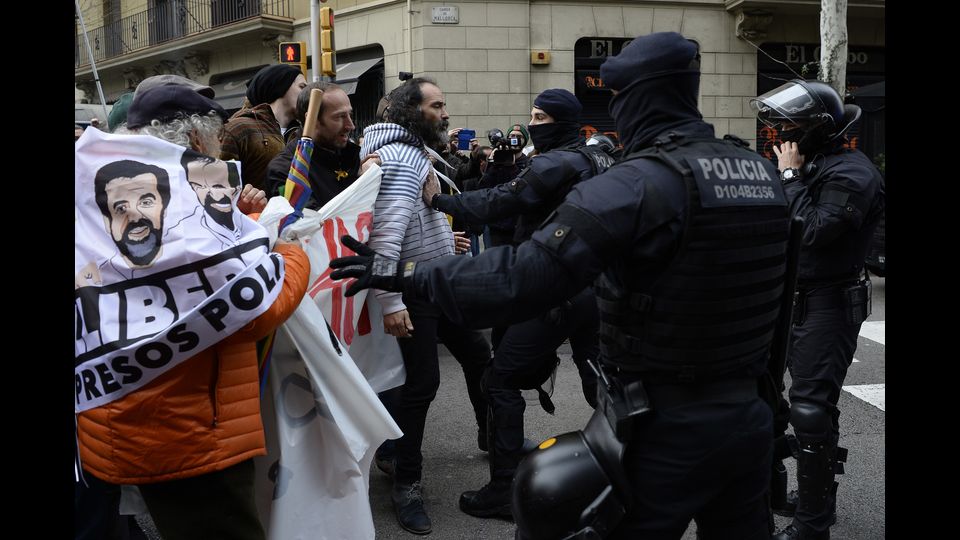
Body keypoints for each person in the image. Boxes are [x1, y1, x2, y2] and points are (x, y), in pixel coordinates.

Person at [329, 32, 792, 539]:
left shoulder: (639, 182)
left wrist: (406, 274)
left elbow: (524, 277)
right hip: (750, 415)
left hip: (665, 424)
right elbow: (780, 302)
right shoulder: (761, 173)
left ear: (635, 99)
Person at [78, 82, 310, 540]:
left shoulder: (97, 193)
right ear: (200, 141)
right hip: (189, 435)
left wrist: (237, 223)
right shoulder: (179, 200)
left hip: (116, 417)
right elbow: (253, 310)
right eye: (218, 140)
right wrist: (291, 253)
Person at [419, 88, 613, 519]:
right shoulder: (595, 158)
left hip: (551, 288)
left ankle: (505, 489)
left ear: (560, 122)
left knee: (499, 380)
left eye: (540, 116)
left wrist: (439, 200)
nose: (531, 123)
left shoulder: (554, 162)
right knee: (598, 377)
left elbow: (501, 202)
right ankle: (631, 465)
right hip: (592, 288)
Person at [751, 79, 885, 540]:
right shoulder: (809, 164)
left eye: (790, 124)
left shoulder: (852, 173)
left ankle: (813, 524)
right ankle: (776, 491)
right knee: (764, 398)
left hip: (828, 303)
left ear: (818, 128)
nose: (780, 132)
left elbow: (812, 231)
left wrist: (789, 178)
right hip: (784, 299)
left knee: (811, 410)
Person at [360, 77, 491, 535]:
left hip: (439, 282)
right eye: (437, 106)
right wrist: (392, 300)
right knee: (422, 387)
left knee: (480, 358)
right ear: (410, 112)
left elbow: (418, 217)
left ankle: (492, 438)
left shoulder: (413, 152)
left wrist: (443, 241)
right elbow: (386, 234)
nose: (445, 113)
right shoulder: (398, 157)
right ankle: (407, 484)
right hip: (414, 291)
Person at [264, 81, 361, 209]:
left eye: (350, 115)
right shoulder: (284, 170)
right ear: (312, 119)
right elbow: (307, 223)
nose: (351, 126)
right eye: (339, 117)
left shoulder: (350, 156)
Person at [220, 64, 306, 190]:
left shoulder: (301, 135)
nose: (307, 94)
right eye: (302, 87)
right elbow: (219, 185)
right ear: (280, 87)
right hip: (254, 209)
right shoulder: (238, 129)